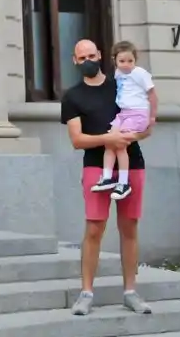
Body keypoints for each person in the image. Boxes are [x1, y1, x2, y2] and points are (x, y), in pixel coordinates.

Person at [62, 38, 152, 317]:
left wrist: (129, 137)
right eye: (82, 57)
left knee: (129, 227)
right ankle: (86, 293)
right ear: (75, 62)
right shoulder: (73, 96)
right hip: (96, 167)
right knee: (94, 228)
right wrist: (108, 138)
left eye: (92, 54)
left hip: (132, 162)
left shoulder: (122, 83)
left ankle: (130, 291)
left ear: (101, 55)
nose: (88, 60)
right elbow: (77, 140)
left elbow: (147, 121)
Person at [90, 40, 157, 201]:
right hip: (124, 114)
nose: (126, 65)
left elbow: (152, 95)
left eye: (130, 61)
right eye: (122, 61)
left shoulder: (140, 74)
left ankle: (123, 182)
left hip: (138, 113)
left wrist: (152, 116)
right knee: (109, 140)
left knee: (120, 145)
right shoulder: (118, 73)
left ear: (135, 60)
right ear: (115, 60)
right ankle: (107, 177)